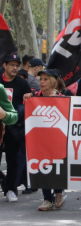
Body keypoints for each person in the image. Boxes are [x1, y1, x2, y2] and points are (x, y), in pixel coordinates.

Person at [23, 69, 66, 211]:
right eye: (40, 79)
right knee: (42, 166)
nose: (42, 82)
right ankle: (47, 198)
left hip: (57, 140)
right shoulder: (34, 97)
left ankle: (58, 192)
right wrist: (27, 98)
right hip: (40, 140)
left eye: (46, 79)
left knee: (57, 165)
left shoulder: (62, 97)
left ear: (53, 81)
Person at [0, 54, 31, 202]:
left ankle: (11, 189)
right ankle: (4, 181)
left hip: (14, 126)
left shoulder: (21, 83)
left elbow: (26, 105)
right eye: (11, 65)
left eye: (17, 65)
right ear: (4, 65)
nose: (15, 68)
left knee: (13, 159)